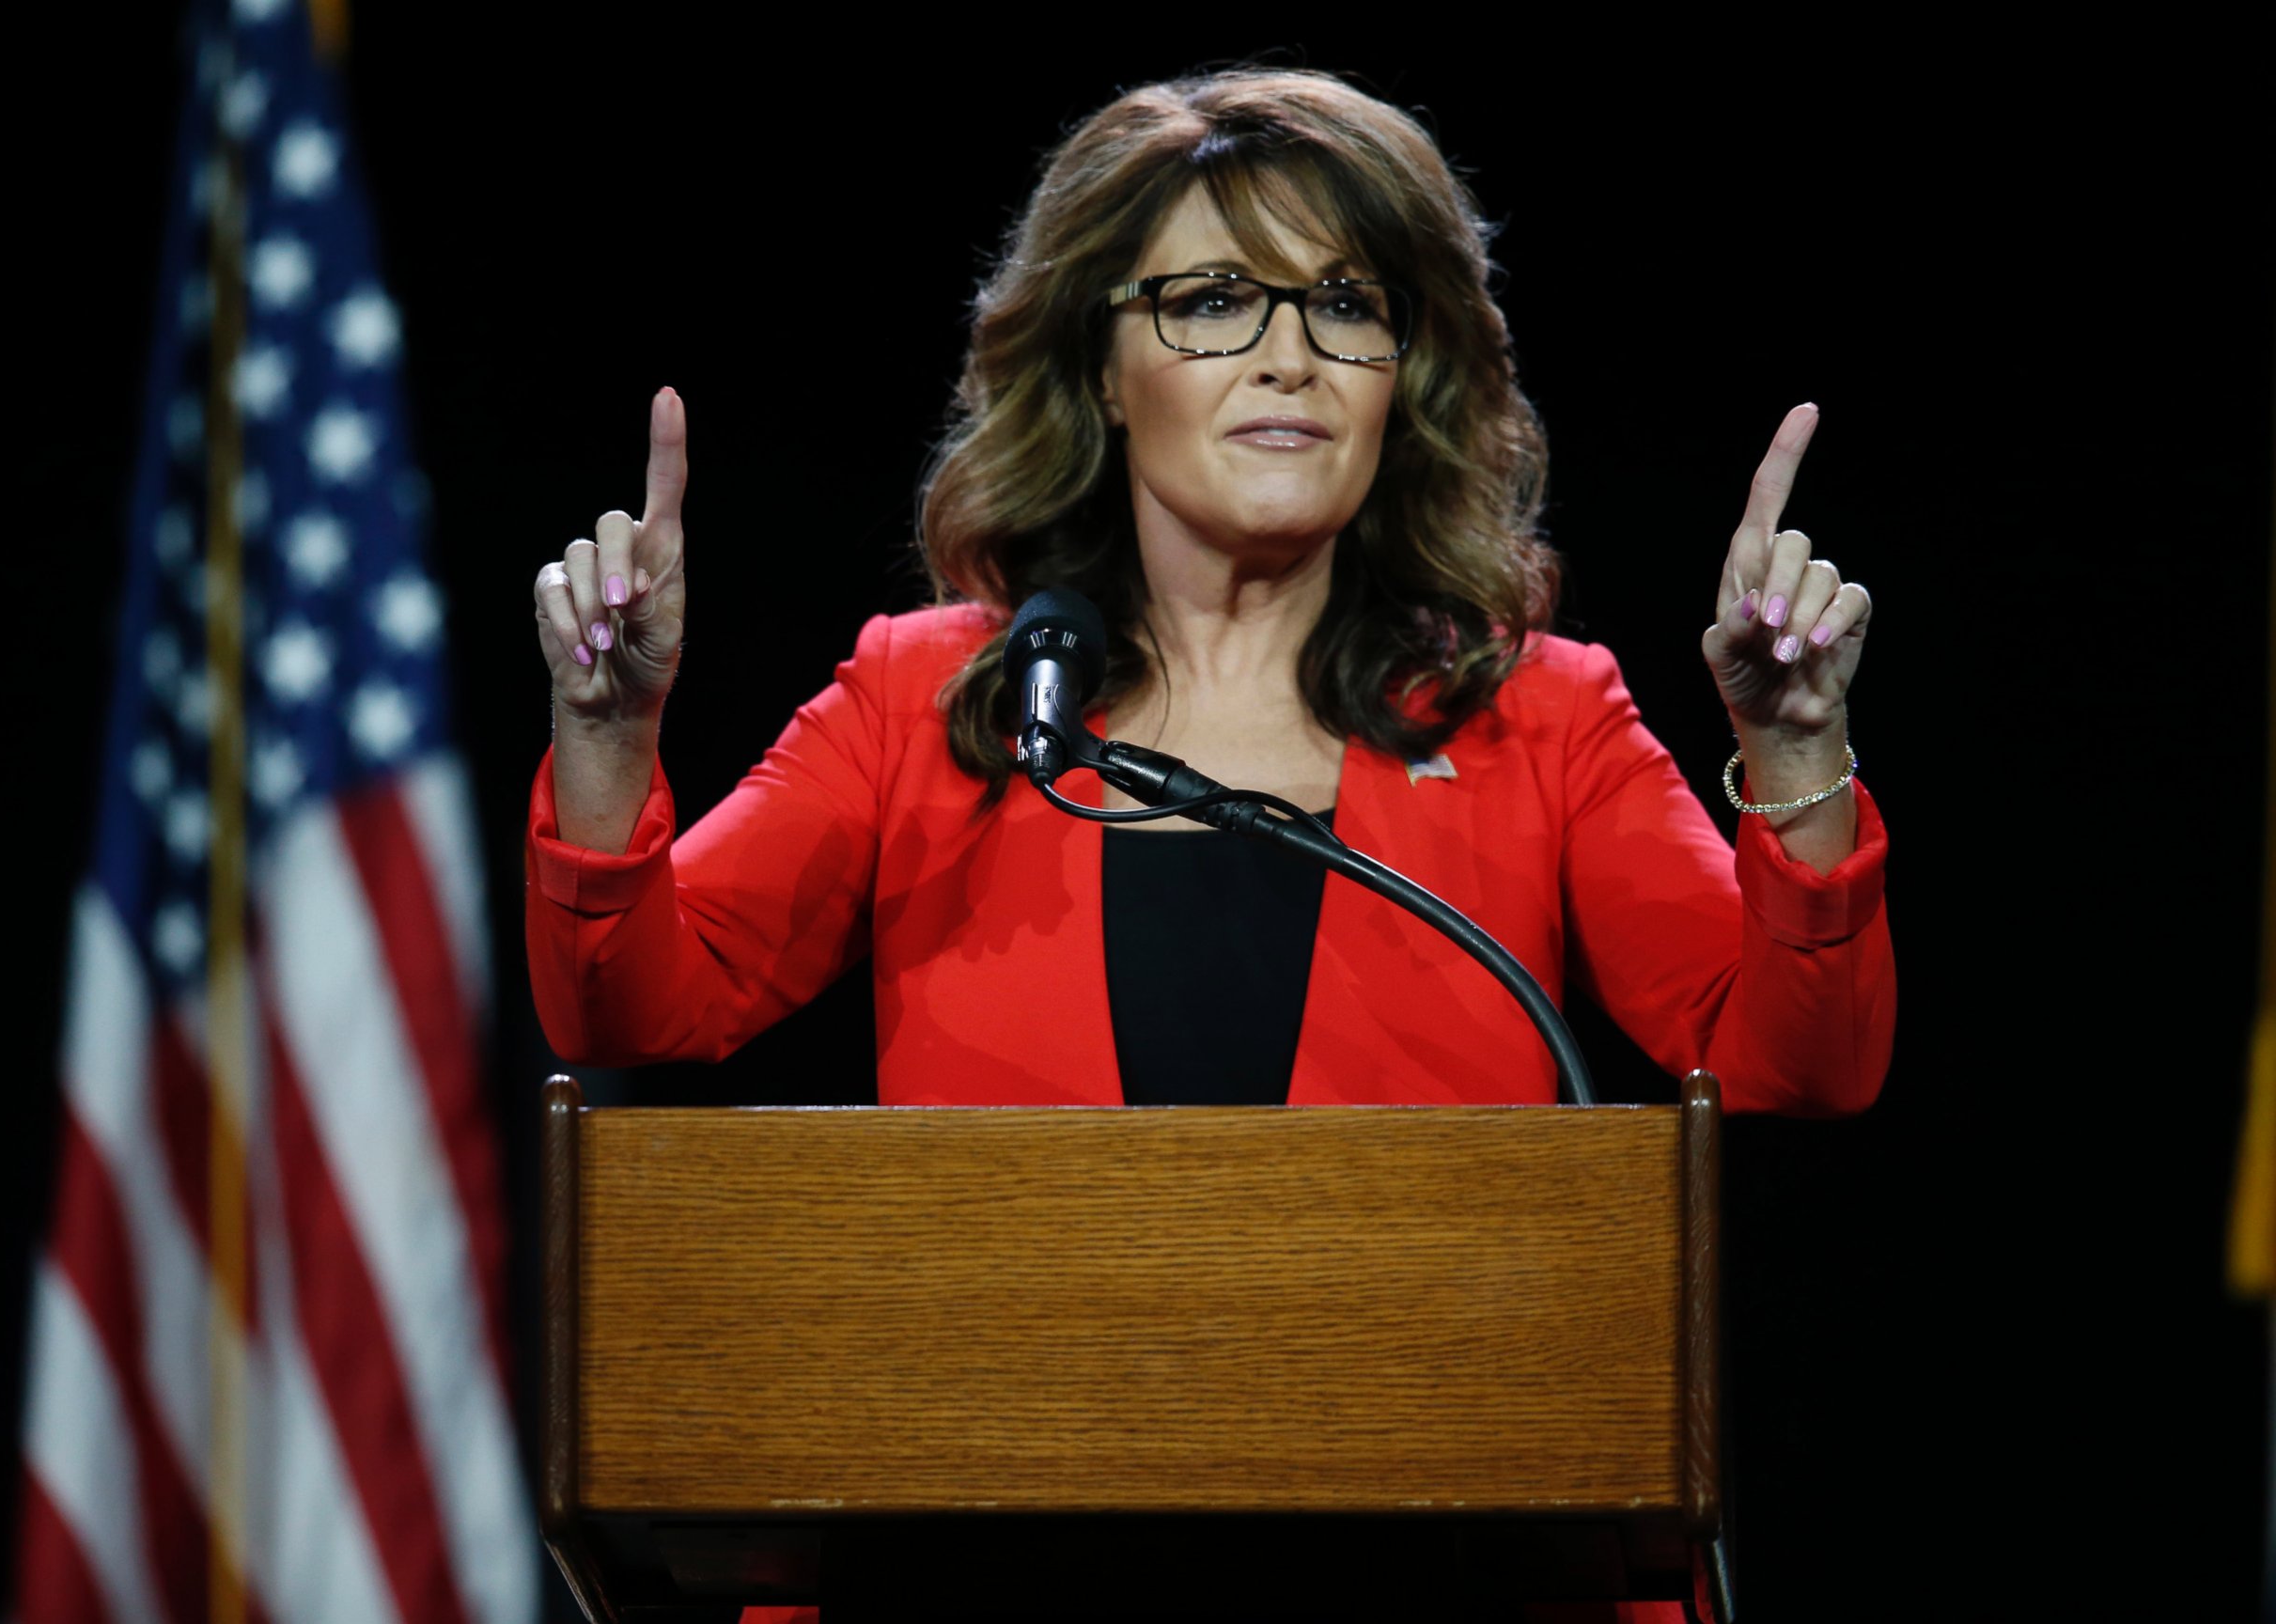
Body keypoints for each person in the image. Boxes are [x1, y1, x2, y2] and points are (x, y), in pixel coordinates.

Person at [526, 68, 1890, 1624]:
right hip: (986, 1565)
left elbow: (1801, 1059)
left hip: (1444, 1568)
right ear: (1102, 366)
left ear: (1407, 371)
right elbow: (629, 1006)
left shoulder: (1536, 717)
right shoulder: (935, 700)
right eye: (1216, 301)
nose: (1291, 359)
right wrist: (607, 736)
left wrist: (1793, 750)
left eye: (1347, 305)